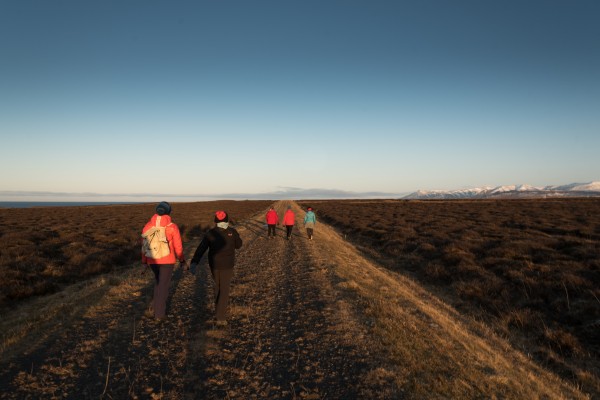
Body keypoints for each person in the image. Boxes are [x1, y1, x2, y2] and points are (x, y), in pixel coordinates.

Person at [190, 211, 242, 325]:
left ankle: (218, 310)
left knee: (218, 287)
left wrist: (194, 261)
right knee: (224, 289)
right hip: (227, 265)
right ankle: (221, 318)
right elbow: (239, 245)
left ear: (216, 221)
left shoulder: (210, 233)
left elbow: (201, 248)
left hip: (214, 264)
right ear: (227, 220)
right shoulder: (232, 232)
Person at [141, 201, 186, 320]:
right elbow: (178, 246)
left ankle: (155, 308)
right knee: (163, 286)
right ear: (168, 212)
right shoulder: (172, 227)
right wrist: (182, 260)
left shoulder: (147, 226)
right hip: (167, 260)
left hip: (152, 260)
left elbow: (145, 246)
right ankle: (159, 315)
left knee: (158, 283)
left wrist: (144, 262)